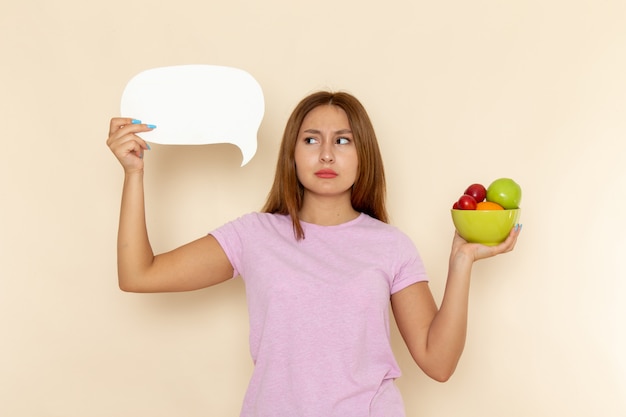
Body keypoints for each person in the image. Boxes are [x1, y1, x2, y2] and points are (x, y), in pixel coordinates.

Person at [106, 90, 521, 417]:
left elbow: (439, 362)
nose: (326, 154)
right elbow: (139, 274)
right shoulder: (255, 235)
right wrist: (134, 174)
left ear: (364, 156)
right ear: (292, 153)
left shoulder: (390, 245)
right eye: (311, 140)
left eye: (343, 141)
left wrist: (461, 263)